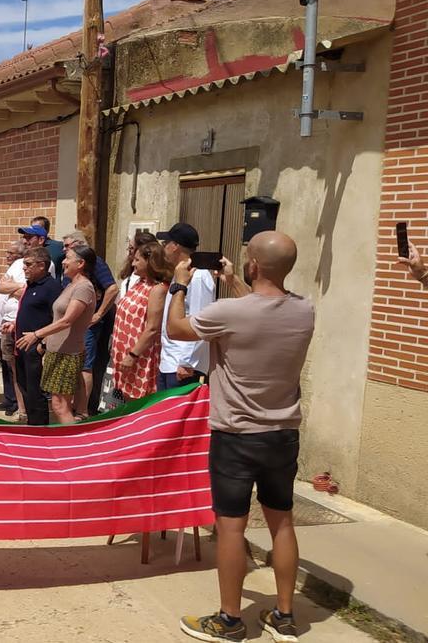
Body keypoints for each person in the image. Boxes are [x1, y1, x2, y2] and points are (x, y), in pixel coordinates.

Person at [169, 231, 314, 643]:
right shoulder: (306, 310)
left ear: (253, 266)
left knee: (232, 528)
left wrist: (180, 282)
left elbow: (178, 329)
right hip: (282, 434)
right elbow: (264, 308)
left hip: (235, 435)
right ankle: (285, 616)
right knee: (281, 522)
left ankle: (230, 621)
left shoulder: (228, 312)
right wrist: (236, 281)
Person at [18, 245, 99, 424]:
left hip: (67, 354)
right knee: (58, 404)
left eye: (67, 258)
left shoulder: (84, 287)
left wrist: (37, 335)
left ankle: (72, 446)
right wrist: (45, 343)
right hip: (57, 351)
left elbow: (67, 321)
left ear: (80, 263)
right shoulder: (71, 285)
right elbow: (58, 317)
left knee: (60, 405)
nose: (63, 262)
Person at [62, 231, 119, 415]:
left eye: (67, 246)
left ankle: (82, 411)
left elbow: (112, 288)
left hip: (86, 324)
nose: (64, 250)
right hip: (73, 323)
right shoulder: (68, 266)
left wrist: (98, 314)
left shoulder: (96, 263)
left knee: (85, 365)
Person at [110, 241, 170, 401]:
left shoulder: (158, 289)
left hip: (140, 356)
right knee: (125, 404)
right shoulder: (140, 283)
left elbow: (152, 328)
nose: (133, 263)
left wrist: (132, 355)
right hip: (125, 354)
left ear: (150, 261)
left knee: (137, 405)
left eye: (137, 260)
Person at [158, 222, 215, 390]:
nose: (163, 248)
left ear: (175, 246)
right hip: (169, 361)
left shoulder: (198, 276)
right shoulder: (181, 273)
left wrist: (187, 362)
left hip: (182, 364)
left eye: (165, 243)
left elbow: (200, 319)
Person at [12, 247, 62, 425]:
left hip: (36, 348)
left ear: (41, 266)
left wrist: (43, 344)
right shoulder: (31, 285)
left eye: (28, 264)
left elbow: (58, 319)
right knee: (25, 389)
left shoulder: (52, 287)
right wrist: (13, 325)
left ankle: (40, 431)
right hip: (21, 346)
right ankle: (31, 426)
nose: (24, 268)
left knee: (36, 393)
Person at [0, 239, 30, 416]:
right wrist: (18, 286)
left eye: (11, 253)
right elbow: (1, 286)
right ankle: (10, 399)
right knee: (7, 364)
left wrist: (13, 287)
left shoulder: (42, 265)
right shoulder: (16, 265)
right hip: (4, 322)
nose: (6, 256)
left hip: (19, 323)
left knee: (19, 368)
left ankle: (20, 404)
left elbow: (27, 292)